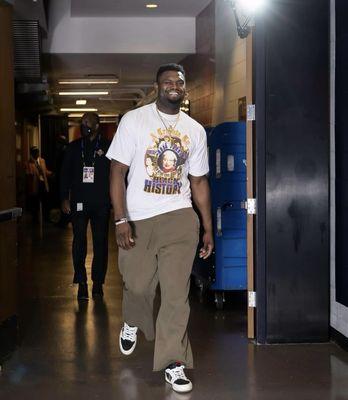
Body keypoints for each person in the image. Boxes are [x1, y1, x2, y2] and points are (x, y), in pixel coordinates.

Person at [107, 63, 214, 393]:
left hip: (180, 218)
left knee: (175, 295)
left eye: (179, 82)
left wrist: (208, 228)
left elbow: (198, 181)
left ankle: (173, 363)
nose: (173, 86)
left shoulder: (195, 130)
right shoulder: (135, 120)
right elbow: (116, 173)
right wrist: (121, 219)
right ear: (157, 87)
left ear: (184, 89)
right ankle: (133, 320)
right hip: (139, 217)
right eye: (167, 81)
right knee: (138, 285)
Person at [60, 112, 111, 300]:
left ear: (97, 125)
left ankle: (98, 283)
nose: (84, 125)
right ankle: (81, 282)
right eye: (82, 122)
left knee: (100, 242)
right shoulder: (74, 148)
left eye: (87, 122)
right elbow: (64, 174)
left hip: (101, 203)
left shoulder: (108, 147)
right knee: (79, 241)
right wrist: (64, 198)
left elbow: (115, 174)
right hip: (79, 202)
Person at [25, 146, 52, 222]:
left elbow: (45, 171)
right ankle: (35, 218)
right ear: (31, 153)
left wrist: (50, 173)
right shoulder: (28, 163)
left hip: (43, 182)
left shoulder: (42, 160)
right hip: (36, 183)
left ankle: (46, 217)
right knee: (35, 202)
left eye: (37, 151)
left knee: (45, 201)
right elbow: (28, 173)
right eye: (34, 152)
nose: (36, 153)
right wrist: (33, 165)